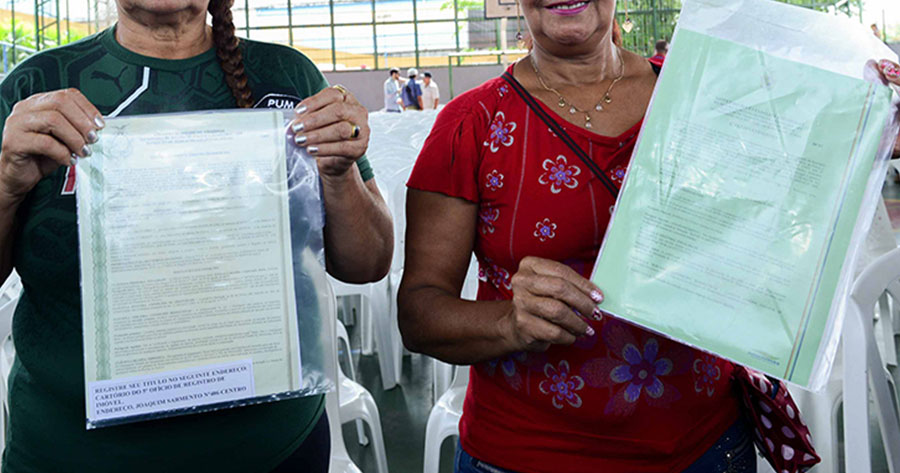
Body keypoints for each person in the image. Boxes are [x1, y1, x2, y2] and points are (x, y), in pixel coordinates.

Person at [397, 0, 900, 471]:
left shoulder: (706, 93)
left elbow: (788, 212)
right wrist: (510, 320)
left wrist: (867, 128)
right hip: (532, 452)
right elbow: (419, 313)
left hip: (708, 442)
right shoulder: (473, 126)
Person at [0, 0, 394, 471]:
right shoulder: (37, 88)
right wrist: (6, 183)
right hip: (73, 454)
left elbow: (368, 263)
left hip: (271, 448)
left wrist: (338, 173)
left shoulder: (287, 77)